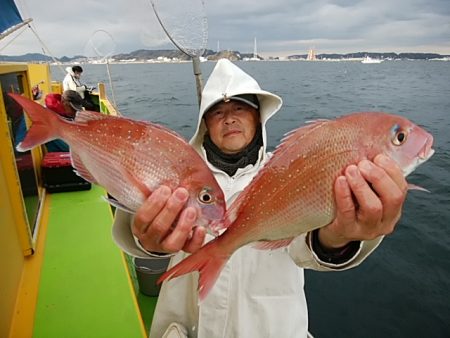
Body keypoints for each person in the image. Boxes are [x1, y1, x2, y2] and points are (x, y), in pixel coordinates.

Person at [112, 59, 408, 338]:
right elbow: (136, 219)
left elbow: (304, 248)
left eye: (240, 108)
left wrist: (340, 236)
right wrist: (147, 240)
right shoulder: (176, 172)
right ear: (205, 124)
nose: (229, 118)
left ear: (258, 116)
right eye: (217, 111)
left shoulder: (291, 173)